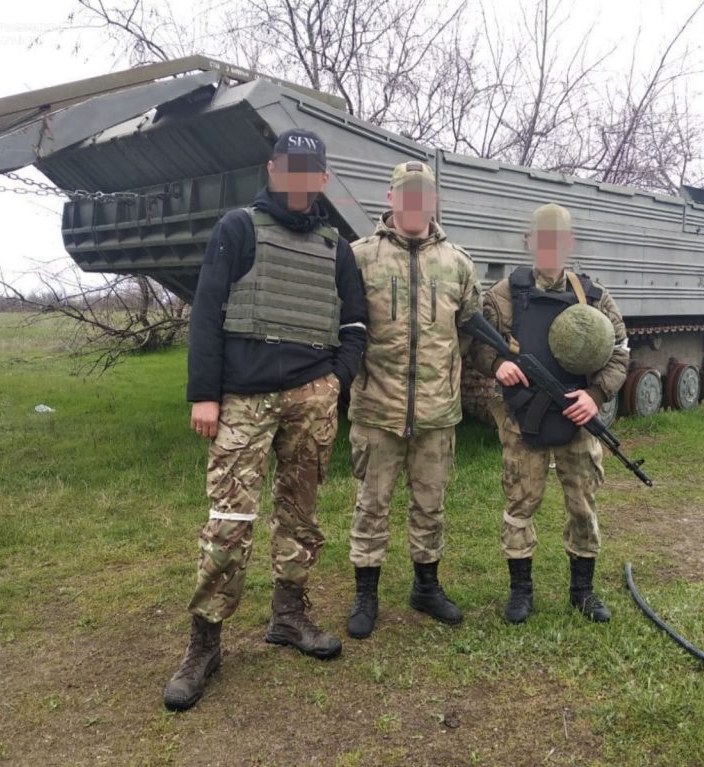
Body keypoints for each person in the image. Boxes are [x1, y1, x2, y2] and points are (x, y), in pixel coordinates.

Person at [163, 129, 368, 711]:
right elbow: (207, 312)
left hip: (312, 398)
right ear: (274, 170)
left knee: (301, 515)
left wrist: (336, 380)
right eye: (290, 167)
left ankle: (288, 617)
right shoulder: (237, 228)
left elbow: (355, 324)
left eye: (311, 170)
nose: (300, 178)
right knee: (229, 521)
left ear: (322, 179)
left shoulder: (336, 247)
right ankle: (204, 644)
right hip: (243, 401)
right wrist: (204, 395)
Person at [471, 203, 629, 625]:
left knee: (582, 503)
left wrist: (595, 395)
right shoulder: (504, 295)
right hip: (522, 417)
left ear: (569, 243)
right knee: (521, 502)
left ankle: (583, 591)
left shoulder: (594, 296)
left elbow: (620, 351)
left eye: (557, 241)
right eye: (542, 240)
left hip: (576, 418)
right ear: (529, 242)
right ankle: (521, 591)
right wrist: (496, 364)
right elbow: (478, 343)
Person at [344, 160, 482, 639]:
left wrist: (444, 373)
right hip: (376, 410)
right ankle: (366, 594)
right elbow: (343, 326)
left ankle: (426, 587)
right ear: (391, 198)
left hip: (436, 412)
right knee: (371, 505)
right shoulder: (360, 257)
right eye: (406, 194)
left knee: (430, 505)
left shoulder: (457, 263)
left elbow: (470, 329)